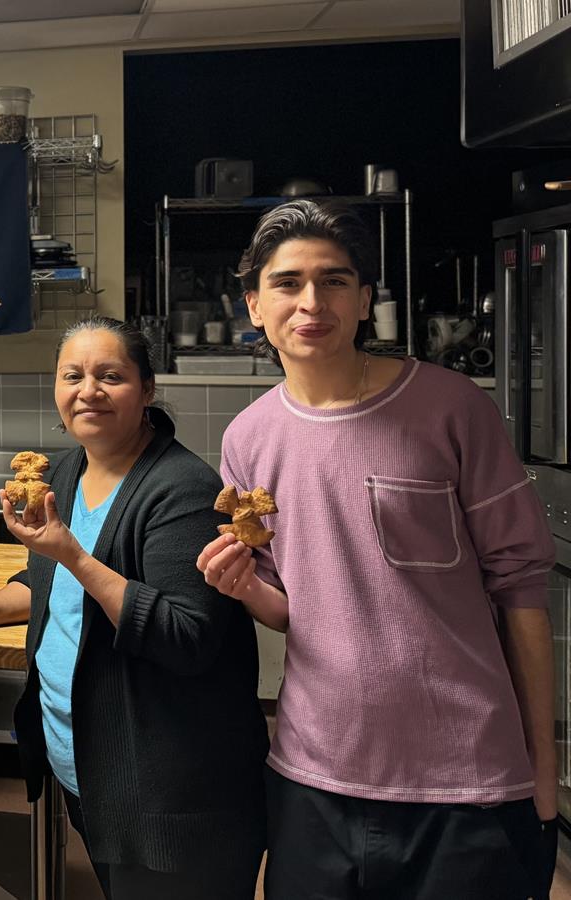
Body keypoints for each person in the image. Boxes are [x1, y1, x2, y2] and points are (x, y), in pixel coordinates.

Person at [199, 200, 558, 900]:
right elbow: (289, 608)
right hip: (314, 776)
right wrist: (242, 587)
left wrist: (542, 775)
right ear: (254, 306)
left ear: (365, 301)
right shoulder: (248, 438)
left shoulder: (453, 407)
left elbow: (521, 590)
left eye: (334, 281)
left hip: (467, 782)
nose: (312, 302)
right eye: (288, 283)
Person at [7, 316, 268, 900]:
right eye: (72, 375)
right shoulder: (64, 473)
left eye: (110, 376)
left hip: (171, 798)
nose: (88, 391)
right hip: (92, 773)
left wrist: (72, 555)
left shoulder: (182, 489)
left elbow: (186, 636)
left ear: (147, 389)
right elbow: (47, 583)